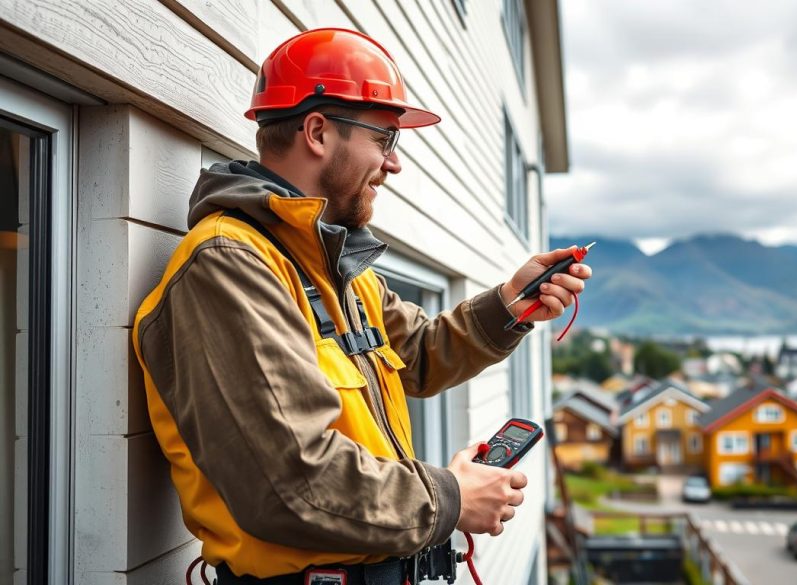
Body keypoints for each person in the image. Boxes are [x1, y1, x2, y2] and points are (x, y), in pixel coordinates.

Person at [131, 27, 590, 585]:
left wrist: (510, 305)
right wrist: (450, 497)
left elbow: (419, 353)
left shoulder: (334, 271)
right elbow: (291, 482)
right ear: (319, 132)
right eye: (386, 140)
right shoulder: (230, 265)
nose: (393, 165)